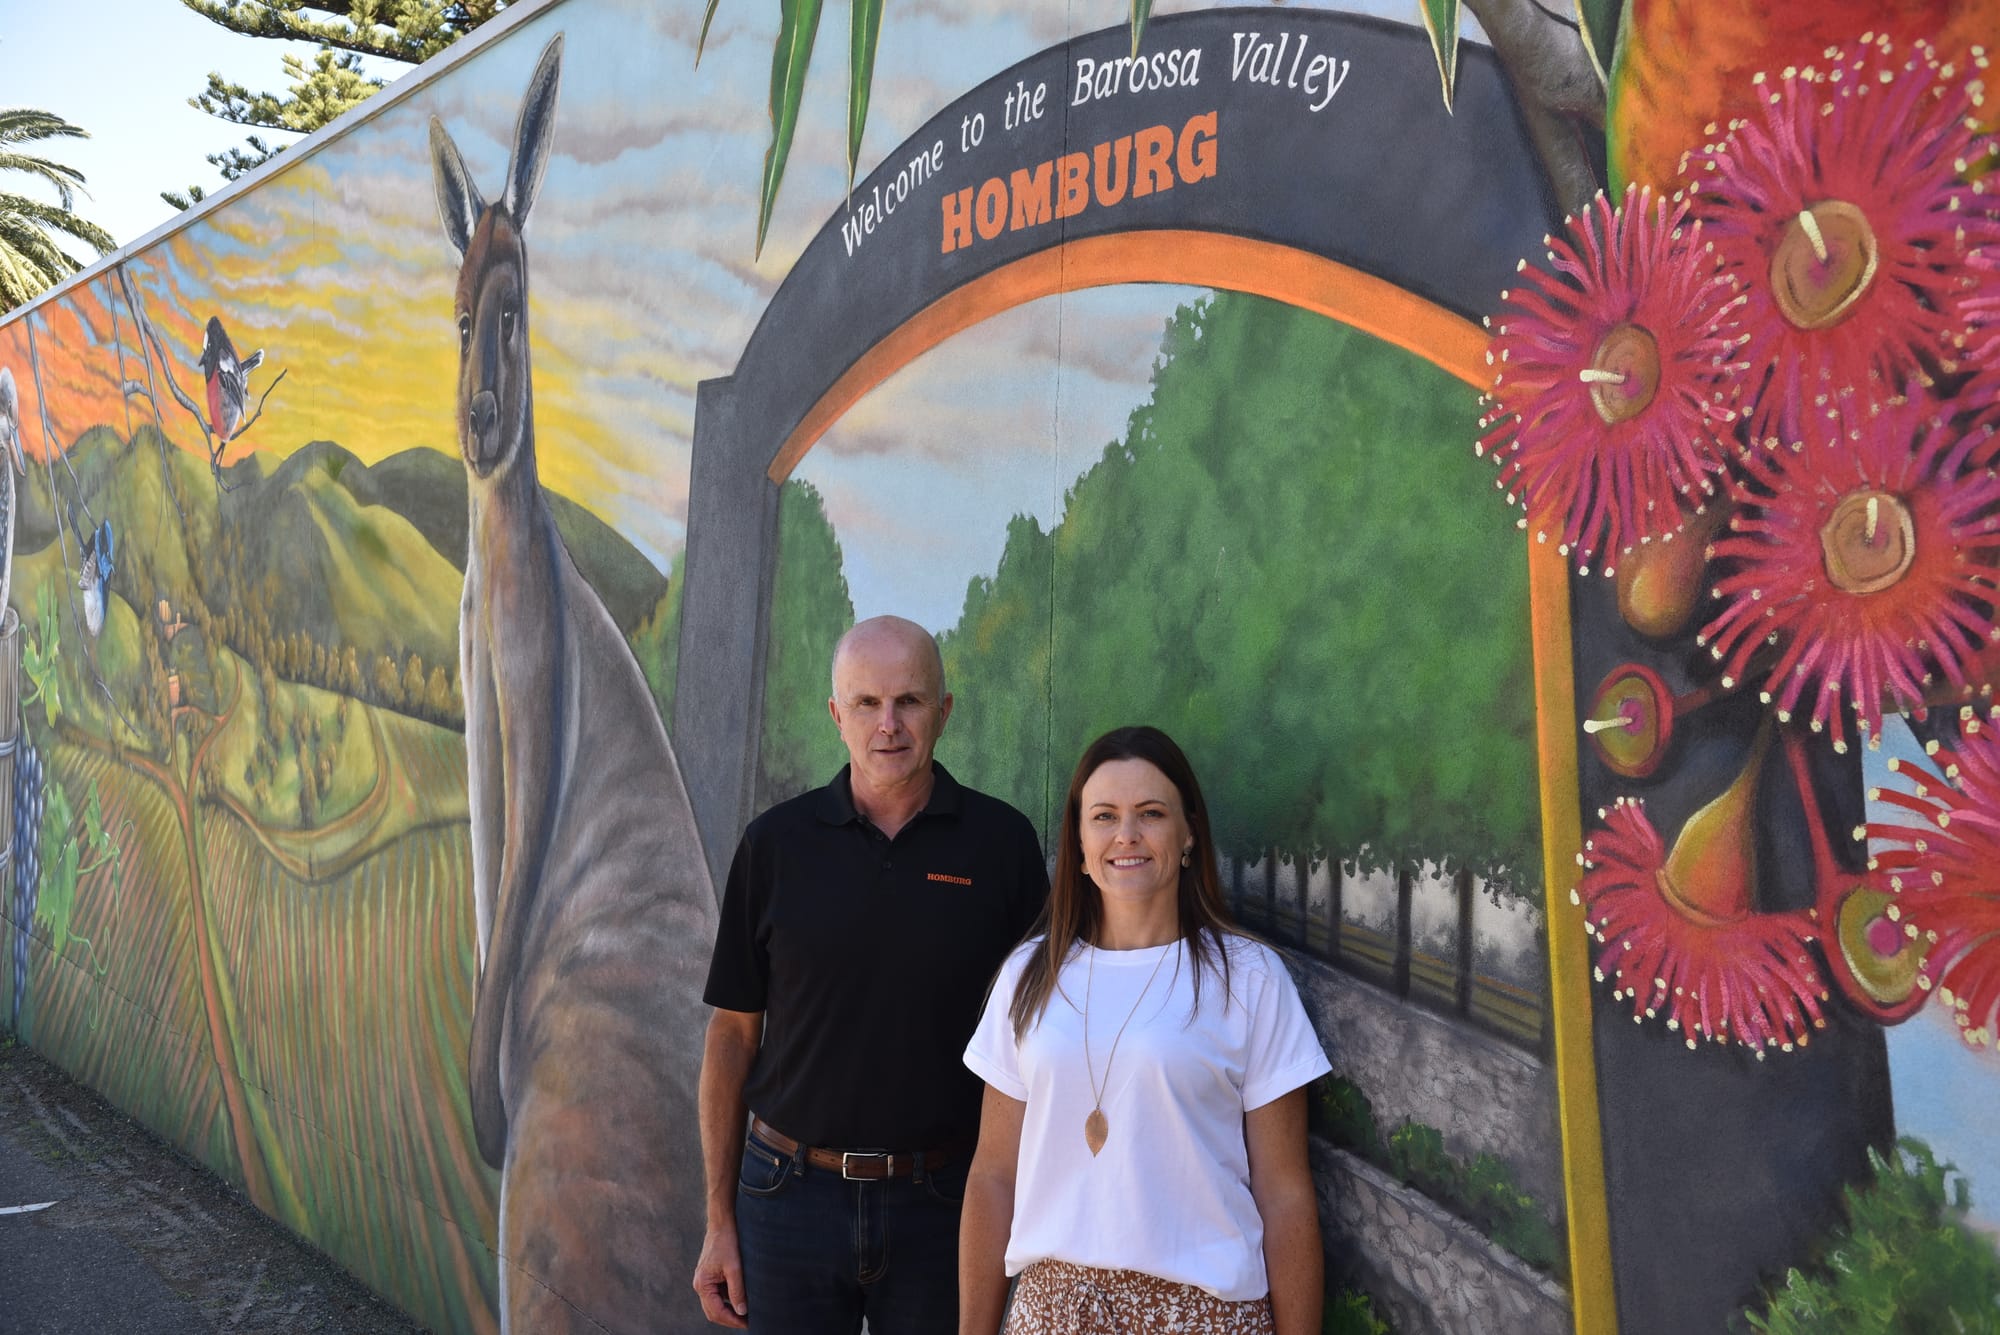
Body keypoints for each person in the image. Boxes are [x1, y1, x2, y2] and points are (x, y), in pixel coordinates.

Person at [694, 615, 1049, 1332]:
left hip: (944, 1201)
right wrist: (718, 1218)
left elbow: (1039, 1039)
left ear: (944, 711)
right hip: (787, 1195)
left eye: (909, 700)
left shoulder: (1003, 845)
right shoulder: (774, 845)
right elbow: (732, 1035)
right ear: (836, 715)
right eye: (866, 703)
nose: (888, 724)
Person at [959, 725, 1331, 1334]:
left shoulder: (1250, 978)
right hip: (1052, 1314)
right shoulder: (1028, 975)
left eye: (1151, 813)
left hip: (1203, 1315)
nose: (1126, 835)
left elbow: (1285, 1193)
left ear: (1189, 835)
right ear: (1079, 844)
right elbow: (993, 1175)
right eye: (1103, 816)